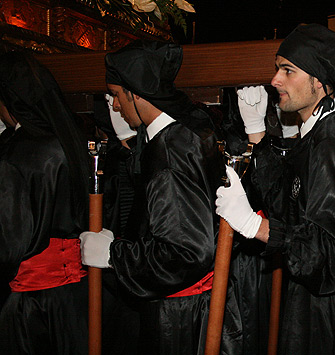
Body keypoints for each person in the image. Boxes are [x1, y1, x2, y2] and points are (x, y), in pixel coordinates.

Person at [215, 23, 335, 354]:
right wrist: (256, 131)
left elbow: (332, 256)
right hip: (322, 299)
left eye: (288, 70)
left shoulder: (331, 141)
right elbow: (289, 201)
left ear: (320, 81)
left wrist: (257, 227)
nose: (274, 80)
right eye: (277, 69)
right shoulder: (318, 130)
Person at [79, 41, 235, 354]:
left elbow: (184, 252)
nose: (115, 106)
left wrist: (114, 255)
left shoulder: (169, 156)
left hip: (178, 318)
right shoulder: (190, 127)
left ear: (137, 92)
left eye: (117, 95)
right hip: (196, 305)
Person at [0, 51, 91, 354]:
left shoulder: (17, 152)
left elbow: (10, 241)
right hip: (76, 293)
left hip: (30, 296)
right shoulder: (70, 139)